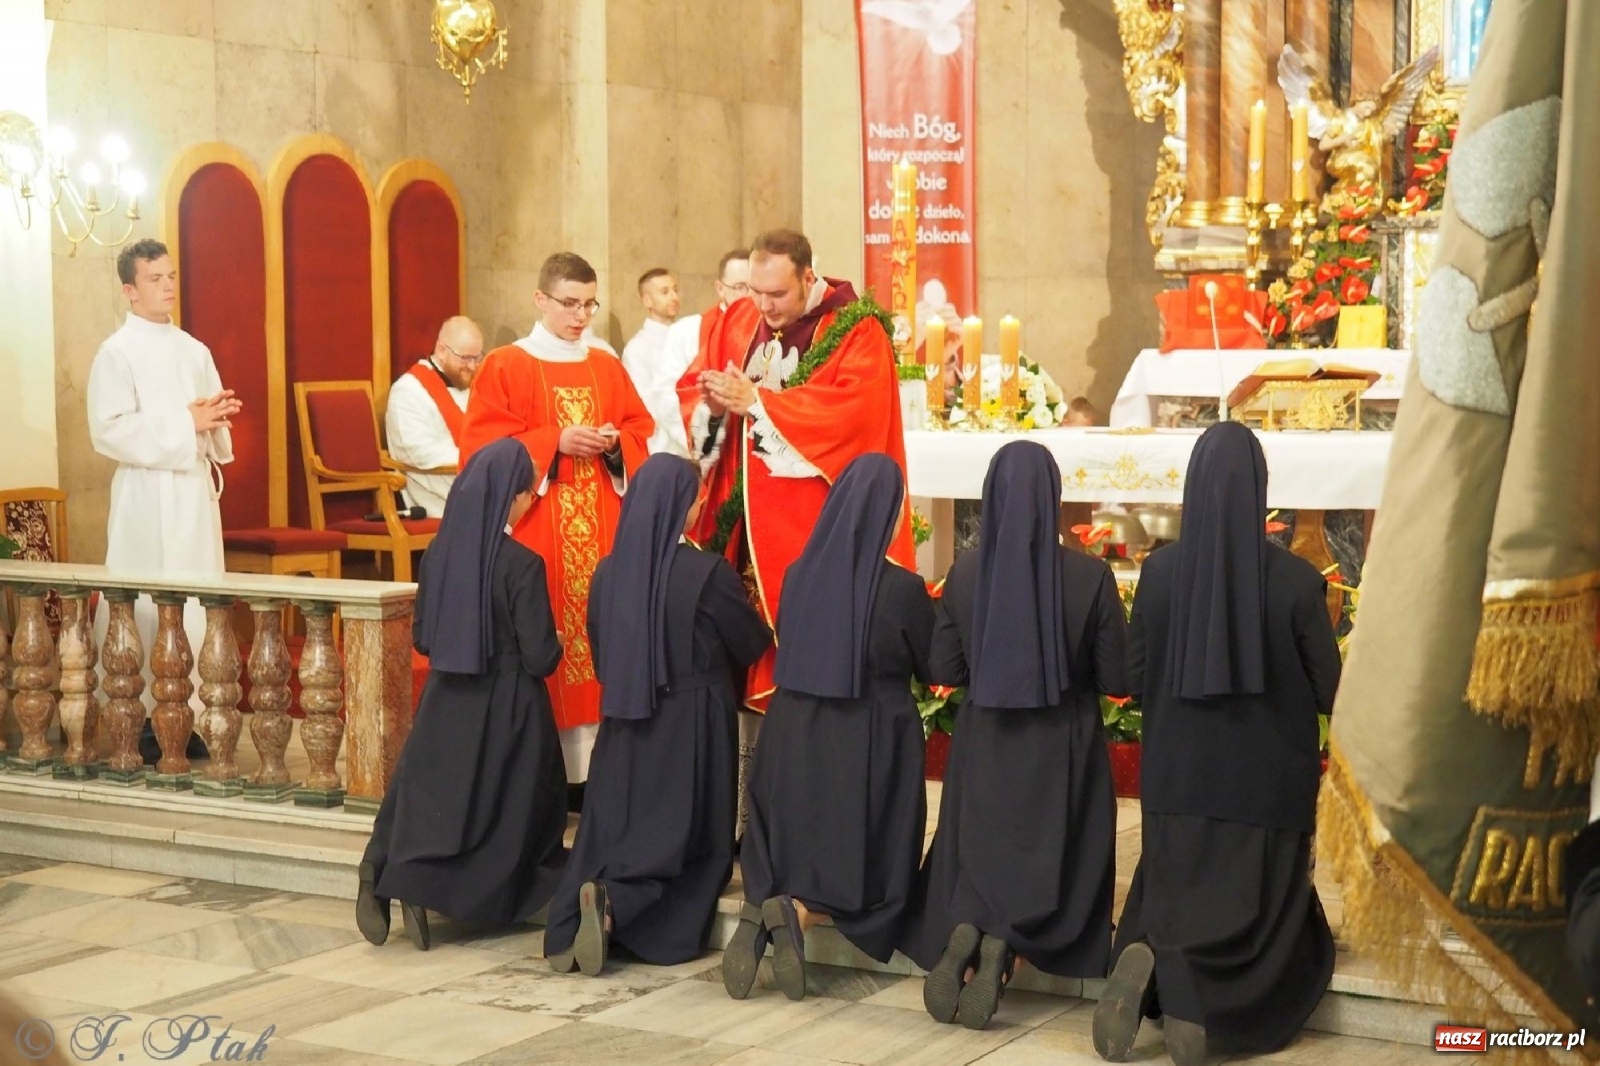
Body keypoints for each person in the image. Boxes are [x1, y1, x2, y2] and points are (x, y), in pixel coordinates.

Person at [1093, 422, 1339, 1065]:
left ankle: (1152, 954)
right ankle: (1201, 1002)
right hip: (1265, 783)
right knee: (1262, 910)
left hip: (1177, 775)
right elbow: (1329, 689)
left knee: (1173, 882)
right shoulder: (1295, 581)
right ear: (1261, 491)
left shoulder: (1161, 572)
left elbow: (1136, 679)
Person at [676, 229, 916, 836]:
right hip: (742, 527)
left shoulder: (858, 332)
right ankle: (738, 817)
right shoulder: (739, 320)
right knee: (740, 657)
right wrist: (710, 403)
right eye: (756, 292)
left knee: (796, 666)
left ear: (809, 278)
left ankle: (794, 811)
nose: (766, 306)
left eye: (778, 293)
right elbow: (695, 385)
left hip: (807, 531)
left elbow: (851, 418)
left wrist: (758, 400)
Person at [906, 440, 1128, 1031]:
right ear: (1054, 498)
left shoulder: (966, 571)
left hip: (986, 739)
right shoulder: (1091, 575)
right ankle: (1009, 944)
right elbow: (1118, 677)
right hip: (1064, 743)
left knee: (982, 839)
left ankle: (970, 927)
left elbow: (945, 670)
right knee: (1062, 844)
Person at [545, 455, 772, 975]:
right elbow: (749, 641)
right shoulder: (705, 572)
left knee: (625, 829)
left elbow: (600, 651)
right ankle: (617, 907)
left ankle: (599, 896)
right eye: (696, 499)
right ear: (682, 507)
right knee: (686, 845)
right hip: (691, 722)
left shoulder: (606, 572)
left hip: (624, 723)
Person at [722, 454, 934, 1002]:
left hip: (792, 726)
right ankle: (799, 914)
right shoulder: (902, 588)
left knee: (797, 822)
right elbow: (931, 666)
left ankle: (770, 907)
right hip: (869, 729)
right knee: (866, 842)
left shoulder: (796, 573)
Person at [355, 439, 567, 951]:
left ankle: (393, 875)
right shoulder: (522, 564)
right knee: (515, 811)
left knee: (432, 801)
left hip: (446, 702)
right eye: (525, 493)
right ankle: (469, 895)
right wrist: (560, 641)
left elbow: (424, 637)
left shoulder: (438, 554)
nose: (528, 501)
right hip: (509, 708)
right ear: (508, 498)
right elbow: (540, 658)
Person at [460, 252, 654, 790]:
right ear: (540, 299)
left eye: (590, 304)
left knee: (603, 634)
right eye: (569, 304)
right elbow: (482, 451)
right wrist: (553, 442)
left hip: (604, 528)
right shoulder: (507, 364)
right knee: (550, 635)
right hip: (541, 526)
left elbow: (641, 428)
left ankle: (600, 773)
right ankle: (549, 773)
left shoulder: (605, 364)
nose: (580, 316)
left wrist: (616, 448)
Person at [88, 238, 236, 765]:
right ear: (130, 290)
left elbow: (210, 425)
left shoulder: (194, 350)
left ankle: (190, 713)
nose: (168, 286)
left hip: (191, 493)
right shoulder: (116, 353)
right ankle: (143, 715)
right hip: (144, 494)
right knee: (145, 599)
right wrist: (186, 422)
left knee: (194, 597)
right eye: (155, 279)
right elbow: (107, 431)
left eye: (171, 276)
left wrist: (215, 416)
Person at [384, 316, 484, 516]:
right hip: (435, 493)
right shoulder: (409, 390)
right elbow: (417, 451)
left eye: (478, 357)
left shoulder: (472, 386)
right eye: (465, 358)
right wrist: (482, 458)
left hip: (473, 480)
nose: (472, 367)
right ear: (441, 351)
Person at [659, 249, 751, 454]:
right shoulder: (686, 331)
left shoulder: (770, 329)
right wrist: (712, 416)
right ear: (720, 288)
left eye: (755, 287)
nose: (749, 295)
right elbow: (667, 397)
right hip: (709, 452)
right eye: (740, 287)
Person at [621, 269, 684, 456]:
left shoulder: (686, 337)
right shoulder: (638, 348)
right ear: (647, 301)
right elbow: (645, 405)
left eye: (675, 290)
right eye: (664, 292)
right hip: (661, 446)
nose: (673, 297)